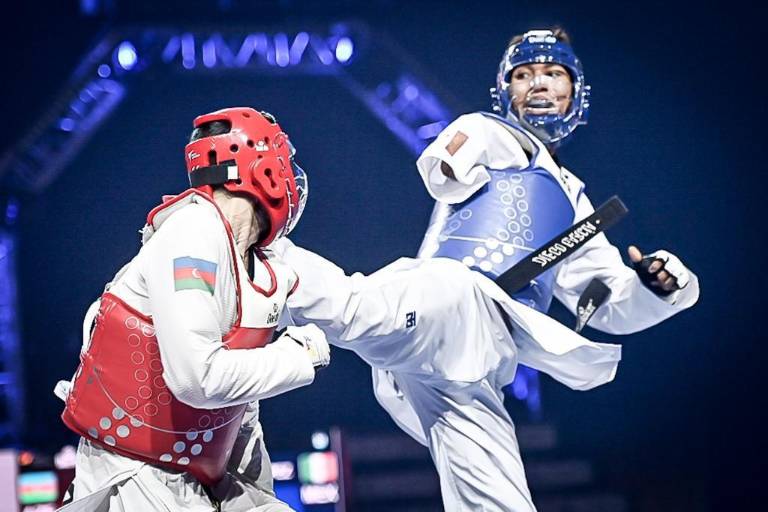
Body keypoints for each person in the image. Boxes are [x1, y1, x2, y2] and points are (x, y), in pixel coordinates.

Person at [271, 28, 699, 511]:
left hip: (479, 359)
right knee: (356, 306)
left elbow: (604, 301)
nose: (538, 84)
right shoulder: (496, 135)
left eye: (553, 74)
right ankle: (263, 266)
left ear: (575, 93)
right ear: (505, 92)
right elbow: (447, 162)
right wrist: (459, 156)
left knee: (499, 503)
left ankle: (269, 274)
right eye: (524, 74)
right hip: (449, 297)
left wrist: (658, 286)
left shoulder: (575, 201)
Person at [54, 107, 330, 512]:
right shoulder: (192, 234)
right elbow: (196, 381)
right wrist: (296, 356)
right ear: (265, 171)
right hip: (136, 482)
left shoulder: (251, 264)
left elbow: (237, 408)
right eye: (284, 162)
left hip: (197, 480)